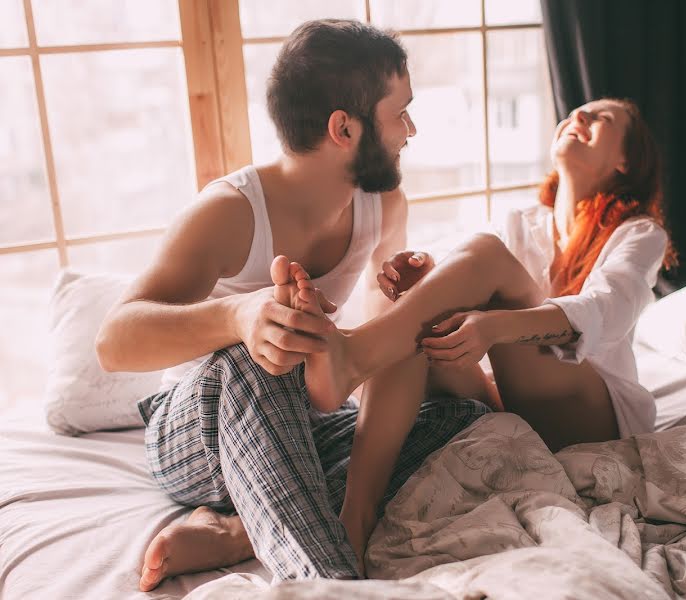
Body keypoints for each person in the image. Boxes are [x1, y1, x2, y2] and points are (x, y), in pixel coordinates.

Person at [160, 95, 679, 580]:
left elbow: (606, 311)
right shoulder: (524, 221)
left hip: (590, 415)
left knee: (481, 258)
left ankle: (352, 357)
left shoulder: (639, 233)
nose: (578, 119)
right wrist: (425, 280)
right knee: (406, 303)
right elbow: (453, 277)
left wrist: (493, 323)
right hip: (508, 403)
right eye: (576, 113)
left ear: (626, 162)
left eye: (600, 120)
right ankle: (342, 516)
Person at [95, 19, 490, 591]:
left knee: (465, 420)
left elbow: (374, 352)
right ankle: (330, 583)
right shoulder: (230, 212)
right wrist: (240, 316)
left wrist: (402, 299)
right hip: (195, 435)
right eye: (399, 111)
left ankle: (240, 534)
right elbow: (113, 341)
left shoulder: (383, 205)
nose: (411, 128)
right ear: (344, 128)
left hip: (303, 427)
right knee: (261, 357)